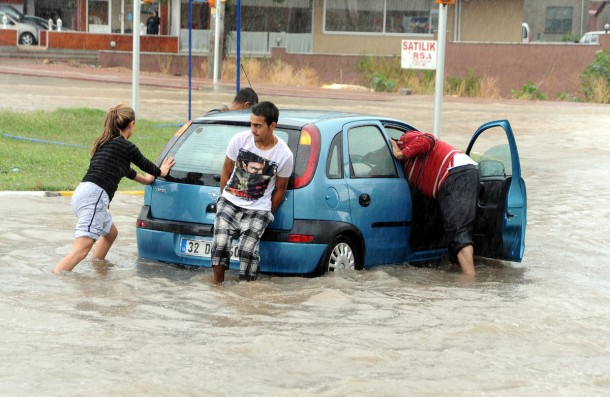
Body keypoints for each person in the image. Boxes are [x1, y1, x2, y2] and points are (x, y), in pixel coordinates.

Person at [53, 104, 175, 273]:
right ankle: (56, 278)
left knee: (111, 234)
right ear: (131, 124)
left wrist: (147, 180)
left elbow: (129, 172)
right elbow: (145, 164)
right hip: (95, 197)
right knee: (80, 251)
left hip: (83, 193)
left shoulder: (106, 144)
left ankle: (97, 268)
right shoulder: (126, 146)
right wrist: (160, 171)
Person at [211, 101, 293, 283]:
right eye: (251, 124)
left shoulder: (284, 154)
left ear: (272, 126)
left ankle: (246, 294)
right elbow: (226, 169)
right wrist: (224, 197)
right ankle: (217, 288)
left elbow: (281, 189)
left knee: (247, 251)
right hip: (230, 201)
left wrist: (268, 212)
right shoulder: (240, 140)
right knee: (220, 245)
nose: (253, 130)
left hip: (259, 209)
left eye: (258, 125)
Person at [390, 131, 479, 275]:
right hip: (454, 176)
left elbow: (428, 139)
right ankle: (460, 273)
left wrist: (400, 152)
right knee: (450, 228)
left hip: (457, 171)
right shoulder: (402, 168)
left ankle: (470, 279)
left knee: (458, 229)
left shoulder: (404, 140)